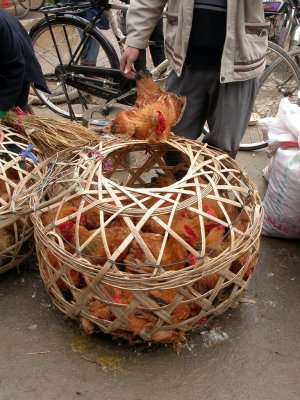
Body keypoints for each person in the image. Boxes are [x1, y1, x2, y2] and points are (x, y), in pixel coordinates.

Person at [120, 0, 269, 159]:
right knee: (173, 142)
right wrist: (135, 41)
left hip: (239, 65)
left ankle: (213, 183)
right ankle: (175, 180)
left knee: (223, 151)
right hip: (185, 61)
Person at [0, 9, 49, 118]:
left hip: (16, 67)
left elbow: (14, 69)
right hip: (9, 59)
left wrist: (1, 111)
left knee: (15, 117)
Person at [120, 0, 165, 73]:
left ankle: (161, 70)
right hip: (140, 7)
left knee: (156, 39)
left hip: (152, 8)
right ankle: (142, 76)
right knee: (138, 44)